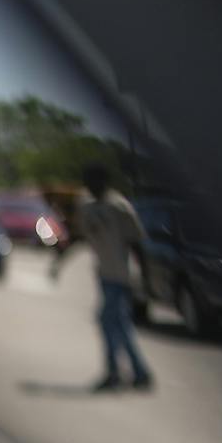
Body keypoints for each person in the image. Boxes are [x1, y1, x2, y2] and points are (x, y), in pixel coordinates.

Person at [51, 161, 154, 392]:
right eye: (87, 181)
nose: (90, 186)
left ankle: (115, 373)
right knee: (118, 325)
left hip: (123, 276)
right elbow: (80, 237)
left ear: (104, 182)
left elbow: (137, 244)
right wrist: (58, 262)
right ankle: (139, 372)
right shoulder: (86, 206)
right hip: (104, 275)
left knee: (108, 322)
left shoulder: (119, 207)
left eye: (94, 181)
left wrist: (145, 280)